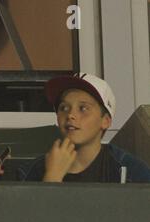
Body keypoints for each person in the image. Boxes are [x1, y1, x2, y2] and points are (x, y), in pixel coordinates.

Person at [19, 73, 150, 183]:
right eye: (63, 107)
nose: (70, 115)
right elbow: (32, 213)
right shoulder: (33, 170)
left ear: (105, 121)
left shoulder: (131, 172)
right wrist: (52, 176)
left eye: (83, 108)